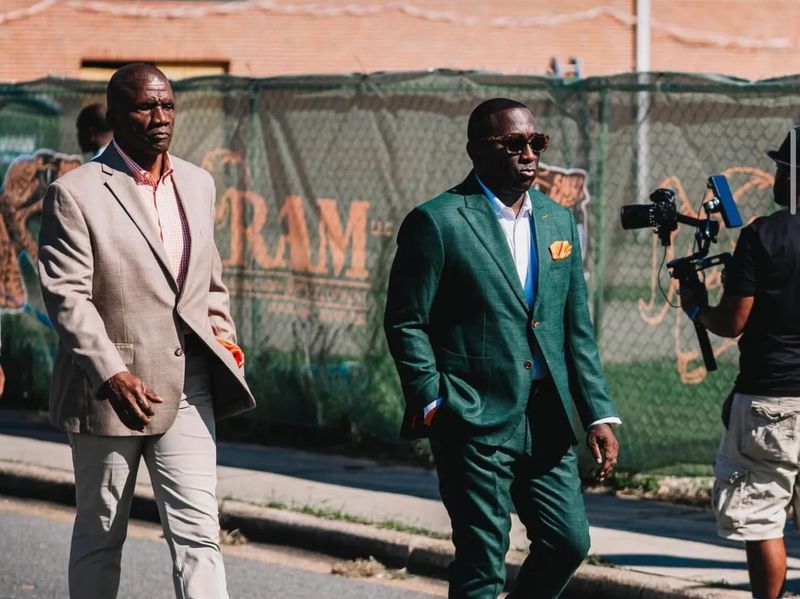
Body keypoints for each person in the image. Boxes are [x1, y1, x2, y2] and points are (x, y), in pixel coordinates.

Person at [384, 98, 620, 599]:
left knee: (567, 542)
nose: (529, 153)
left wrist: (597, 412)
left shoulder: (558, 222)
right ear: (477, 151)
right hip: (472, 416)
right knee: (482, 563)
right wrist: (434, 399)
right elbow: (406, 321)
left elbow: (574, 327)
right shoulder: (439, 221)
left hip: (546, 419)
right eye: (514, 143)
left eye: (537, 142)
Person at [38, 63, 255, 599]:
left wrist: (224, 339)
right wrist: (112, 374)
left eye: (168, 105)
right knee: (101, 532)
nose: (160, 118)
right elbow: (67, 296)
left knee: (200, 535)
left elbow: (209, 280)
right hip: (110, 393)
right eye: (144, 107)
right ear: (114, 114)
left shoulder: (199, 183)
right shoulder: (76, 192)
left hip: (189, 387)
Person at [680, 127, 800, 599]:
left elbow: (732, 322)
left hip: (772, 396)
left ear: (792, 175)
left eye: (781, 167)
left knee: (762, 516)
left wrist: (696, 305)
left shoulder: (763, 235)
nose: (775, 175)